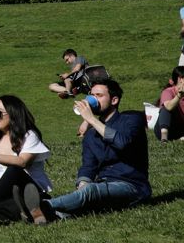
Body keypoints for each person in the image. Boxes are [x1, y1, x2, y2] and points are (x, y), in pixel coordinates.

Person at [20, 79, 150, 224]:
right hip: (102, 186)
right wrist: (82, 184)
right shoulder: (90, 136)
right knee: (86, 195)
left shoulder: (131, 119)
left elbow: (122, 143)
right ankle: (49, 215)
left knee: (91, 192)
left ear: (114, 100)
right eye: (91, 95)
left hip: (132, 186)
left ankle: (42, 207)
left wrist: (91, 120)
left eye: (99, 95)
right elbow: (88, 166)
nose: (93, 99)